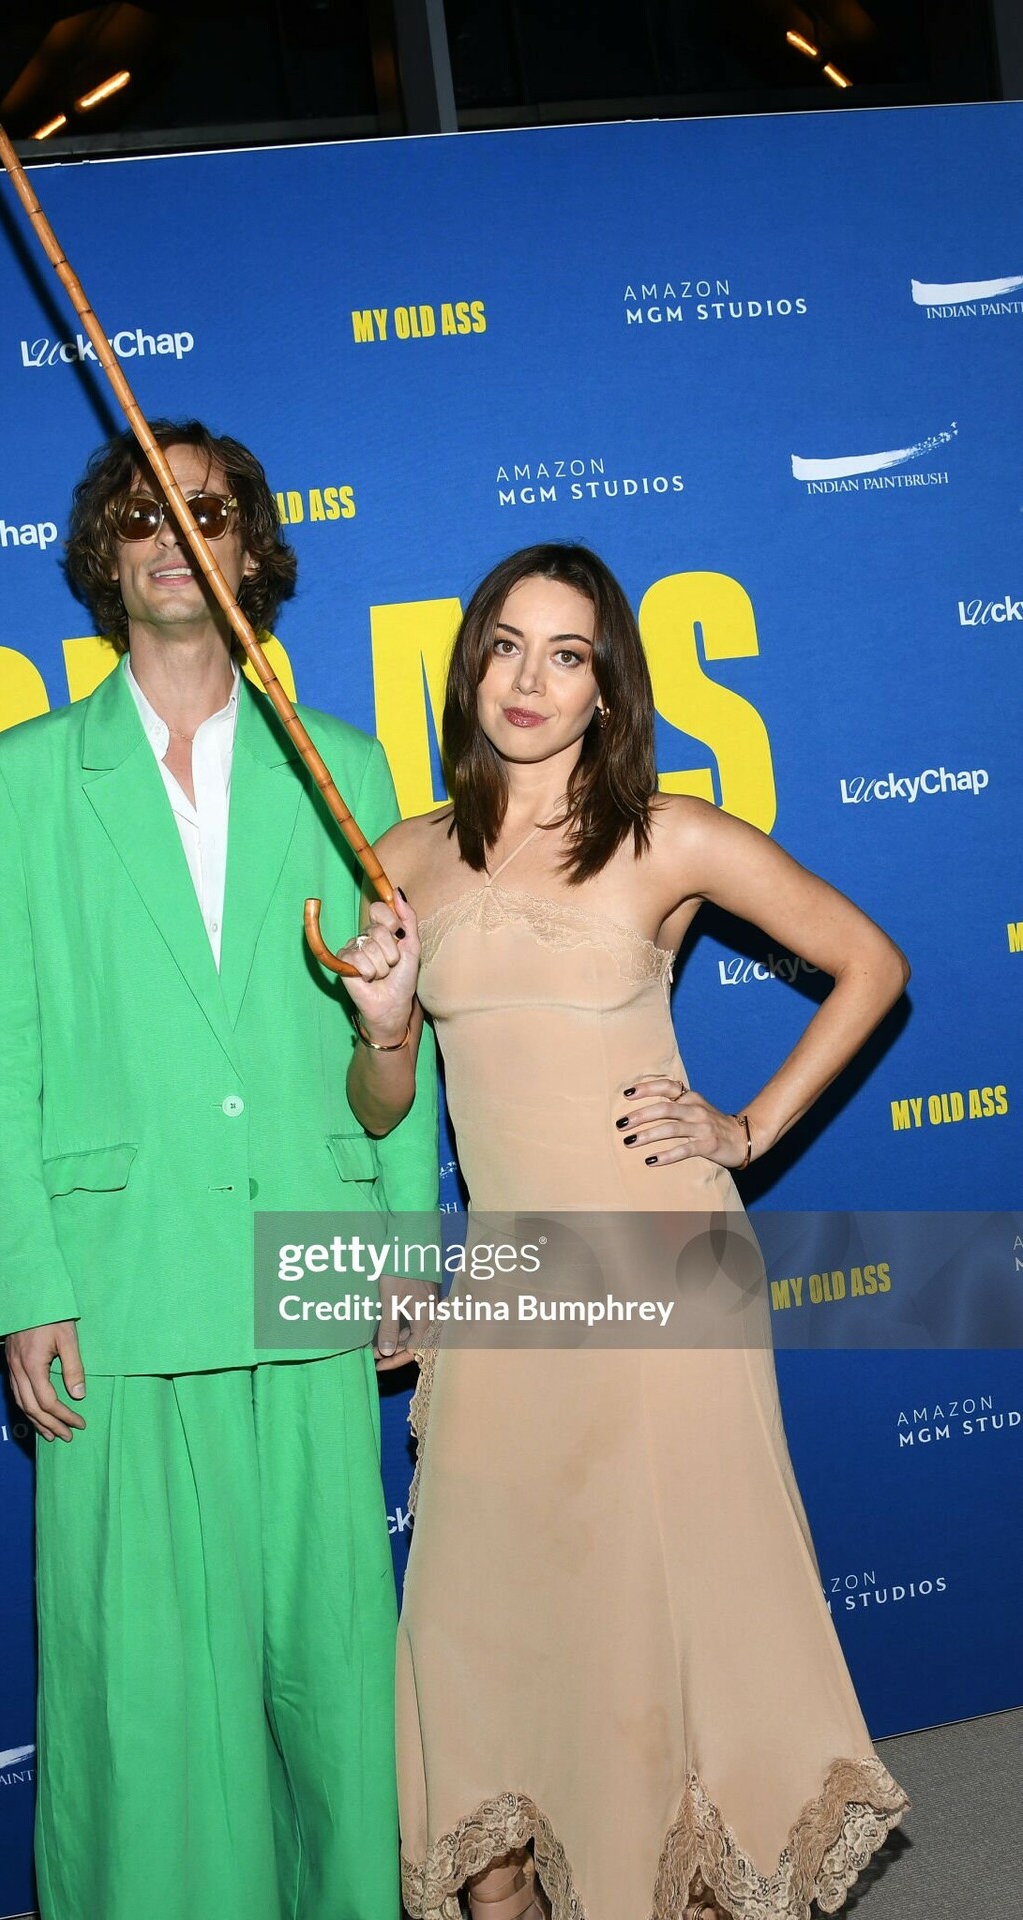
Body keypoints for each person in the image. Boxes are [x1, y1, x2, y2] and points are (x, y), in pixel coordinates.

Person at [339, 542, 910, 1920]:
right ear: (470, 666)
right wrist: (381, 1025)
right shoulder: (405, 856)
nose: (529, 680)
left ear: (608, 688)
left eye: (568, 654)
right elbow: (381, 1105)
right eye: (505, 646)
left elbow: (870, 964)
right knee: (486, 1619)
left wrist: (747, 1130)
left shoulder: (669, 835)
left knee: (675, 1621)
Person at [0, 417, 438, 1920]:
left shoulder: (342, 766)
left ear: (251, 553)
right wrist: (28, 1287)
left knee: (333, 1686)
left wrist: (408, 1249)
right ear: (107, 555)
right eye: (144, 511)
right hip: (123, 1282)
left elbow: (397, 1030)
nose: (177, 535)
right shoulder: (20, 780)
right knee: (151, 1697)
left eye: (208, 511)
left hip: (310, 1258)